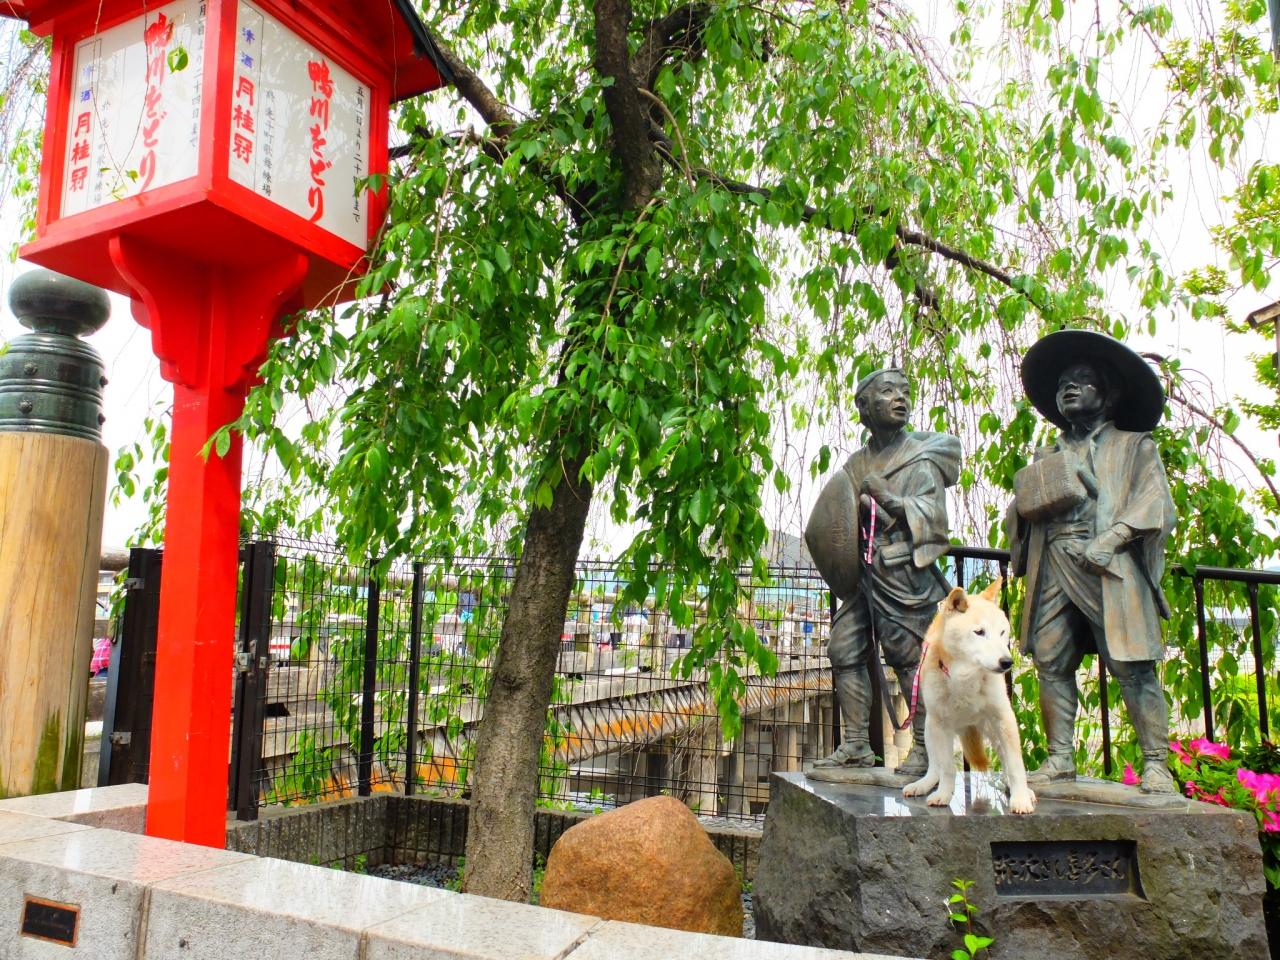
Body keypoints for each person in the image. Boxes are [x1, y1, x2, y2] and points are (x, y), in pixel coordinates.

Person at [1007, 329, 1177, 794]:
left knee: (1131, 664)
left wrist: (1114, 537)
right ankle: (1060, 757)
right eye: (1063, 382)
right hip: (1053, 563)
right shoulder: (1047, 454)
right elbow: (1019, 514)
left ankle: (1156, 763)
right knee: (1050, 660)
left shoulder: (1134, 446)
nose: (1069, 387)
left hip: (1109, 564)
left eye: (1081, 380)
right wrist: (1030, 494)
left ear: (1109, 393)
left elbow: (1156, 504)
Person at [805, 369, 961, 775]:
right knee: (844, 649)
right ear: (864, 406)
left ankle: (927, 748)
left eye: (905, 392)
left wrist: (890, 499)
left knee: (910, 660)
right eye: (888, 391)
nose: (900, 398)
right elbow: (837, 519)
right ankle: (857, 744)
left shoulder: (920, 459)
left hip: (903, 575)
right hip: (863, 576)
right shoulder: (855, 464)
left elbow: (935, 518)